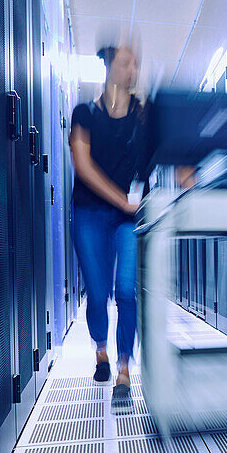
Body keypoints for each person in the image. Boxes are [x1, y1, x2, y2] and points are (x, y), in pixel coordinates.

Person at [69, 44, 151, 394]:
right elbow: (82, 166)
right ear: (108, 65)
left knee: (126, 291)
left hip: (127, 220)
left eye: (136, 63)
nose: (133, 68)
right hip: (89, 213)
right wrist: (121, 198)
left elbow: (169, 148)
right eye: (126, 61)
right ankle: (101, 350)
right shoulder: (84, 113)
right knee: (98, 292)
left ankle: (123, 368)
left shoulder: (143, 115)